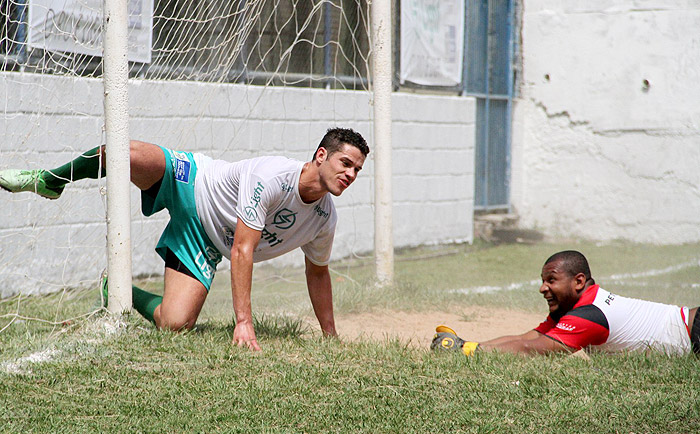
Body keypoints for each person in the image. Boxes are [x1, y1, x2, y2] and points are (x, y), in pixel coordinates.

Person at [0, 127, 369, 351]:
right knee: (124, 152)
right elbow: (243, 249)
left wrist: (330, 336)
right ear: (321, 156)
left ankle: (114, 290)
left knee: (174, 323)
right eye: (345, 163)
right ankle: (52, 180)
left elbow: (317, 273)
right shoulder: (272, 177)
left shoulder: (324, 219)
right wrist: (243, 322)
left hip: (205, 239)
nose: (350, 174)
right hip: (191, 181)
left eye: (357, 169)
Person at [431, 250, 699, 356]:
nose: (543, 288)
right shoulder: (576, 307)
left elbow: (529, 349)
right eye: (543, 280)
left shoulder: (589, 315)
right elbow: (532, 336)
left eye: (551, 280)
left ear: (578, 281)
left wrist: (466, 352)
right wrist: (468, 343)